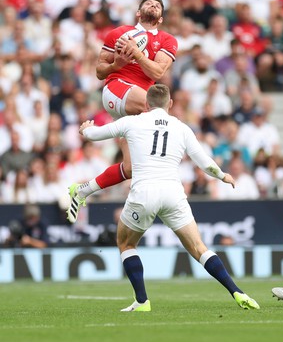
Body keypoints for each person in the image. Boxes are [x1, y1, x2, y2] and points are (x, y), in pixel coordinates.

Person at [76, 84, 260, 312]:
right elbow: (204, 161)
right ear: (170, 104)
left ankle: (142, 301)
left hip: (144, 193)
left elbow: (95, 135)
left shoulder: (132, 121)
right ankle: (237, 292)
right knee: (199, 247)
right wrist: (223, 175)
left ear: (146, 104)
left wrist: (86, 128)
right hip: (174, 194)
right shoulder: (181, 128)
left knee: (126, 243)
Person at [67, 0, 178, 223]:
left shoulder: (168, 40)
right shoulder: (119, 33)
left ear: (161, 17)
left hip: (136, 104)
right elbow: (99, 71)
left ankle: (82, 190)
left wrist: (136, 54)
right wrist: (117, 65)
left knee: (129, 169)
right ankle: (162, 183)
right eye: (148, 3)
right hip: (117, 89)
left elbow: (157, 73)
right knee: (158, 112)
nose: (153, 5)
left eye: (157, 5)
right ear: (138, 12)